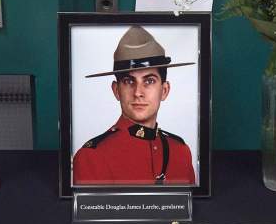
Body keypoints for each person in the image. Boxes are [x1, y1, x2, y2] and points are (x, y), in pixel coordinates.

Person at [72, 25, 196, 185]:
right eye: (129, 81)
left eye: (149, 81)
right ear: (116, 90)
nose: (138, 92)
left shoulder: (180, 151)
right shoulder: (91, 156)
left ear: (164, 90)